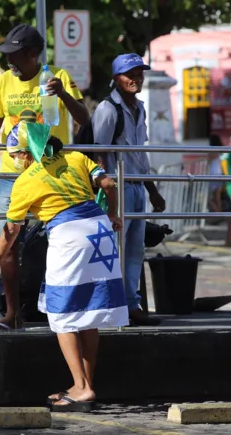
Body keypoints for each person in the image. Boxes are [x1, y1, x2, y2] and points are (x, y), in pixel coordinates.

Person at [0, 122, 128, 412]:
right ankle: (85, 383)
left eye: (19, 155)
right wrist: (113, 214)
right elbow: (108, 184)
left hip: (69, 237)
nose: (18, 160)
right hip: (100, 232)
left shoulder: (26, 181)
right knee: (90, 313)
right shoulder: (75, 157)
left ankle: (81, 388)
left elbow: (10, 232)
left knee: (63, 314)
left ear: (27, 152)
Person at [0, 24, 90, 330]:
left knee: (62, 242)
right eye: (7, 54)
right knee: (7, 243)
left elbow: (84, 117)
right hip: (13, 174)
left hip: (52, 172)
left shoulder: (56, 77)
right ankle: (12, 313)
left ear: (34, 54)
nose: (10, 61)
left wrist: (62, 94)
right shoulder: (5, 81)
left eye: (16, 54)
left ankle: (65, 309)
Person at [90, 53, 165, 326]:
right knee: (112, 250)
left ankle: (131, 304)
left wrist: (152, 190)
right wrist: (104, 187)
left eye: (139, 73)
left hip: (136, 188)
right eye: (129, 74)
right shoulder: (108, 109)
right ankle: (110, 305)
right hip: (116, 188)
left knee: (135, 250)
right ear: (116, 78)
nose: (136, 78)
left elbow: (139, 154)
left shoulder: (140, 108)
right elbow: (99, 152)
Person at [207, 134, 231, 245]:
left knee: (211, 196)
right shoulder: (222, 150)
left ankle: (218, 211)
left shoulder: (212, 151)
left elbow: (208, 160)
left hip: (213, 174)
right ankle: (219, 210)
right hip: (221, 173)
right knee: (217, 195)